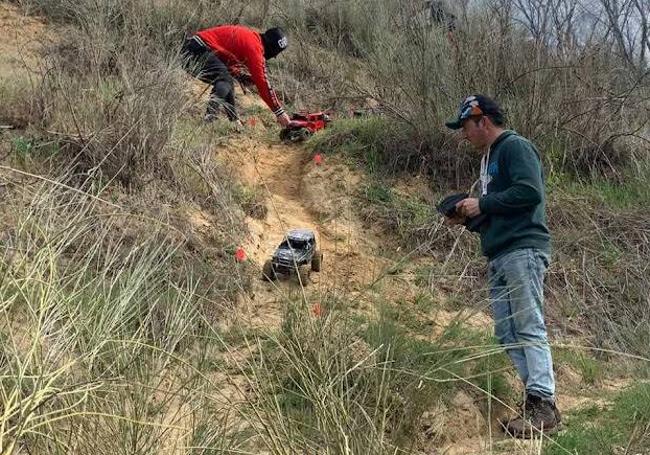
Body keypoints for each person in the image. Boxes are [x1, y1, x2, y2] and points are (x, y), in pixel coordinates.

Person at [444, 95, 561, 438]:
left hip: (522, 249)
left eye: (465, 127)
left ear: (482, 120)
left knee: (527, 325)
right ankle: (538, 403)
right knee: (507, 333)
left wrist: (483, 203)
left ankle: (543, 403)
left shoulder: (515, 147)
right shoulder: (490, 160)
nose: (464, 136)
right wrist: (466, 216)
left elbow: (529, 192)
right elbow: (499, 210)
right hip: (500, 253)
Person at [182, 24, 292, 126]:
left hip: (192, 49)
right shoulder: (255, 48)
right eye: (275, 54)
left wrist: (239, 75)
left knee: (227, 80)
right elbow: (263, 83)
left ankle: (234, 121)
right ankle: (209, 120)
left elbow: (223, 54)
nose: (273, 57)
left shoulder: (252, 39)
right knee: (224, 80)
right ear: (271, 49)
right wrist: (279, 112)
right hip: (196, 50)